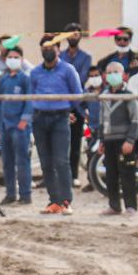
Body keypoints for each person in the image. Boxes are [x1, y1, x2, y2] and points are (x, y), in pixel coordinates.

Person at [29, 37, 83, 215]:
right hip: (40, 119)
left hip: (60, 117)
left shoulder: (68, 70)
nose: (48, 50)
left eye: (52, 47)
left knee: (61, 161)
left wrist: (76, 113)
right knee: (46, 162)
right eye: (44, 47)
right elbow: (30, 96)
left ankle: (66, 201)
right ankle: (54, 201)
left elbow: (77, 95)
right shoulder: (35, 72)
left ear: (58, 49)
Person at [99, 61, 138, 216]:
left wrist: (130, 140)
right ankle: (114, 205)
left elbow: (136, 120)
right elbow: (101, 120)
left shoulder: (129, 95)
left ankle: (131, 206)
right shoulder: (104, 95)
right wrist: (101, 140)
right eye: (109, 72)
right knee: (110, 174)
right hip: (109, 140)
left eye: (115, 72)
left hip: (124, 141)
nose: (112, 75)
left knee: (127, 174)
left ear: (123, 74)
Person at [0, 46, 34, 205]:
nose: (13, 60)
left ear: (22, 59)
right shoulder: (3, 79)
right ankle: (10, 194)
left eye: (16, 57)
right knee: (7, 161)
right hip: (5, 125)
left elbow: (30, 100)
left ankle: (25, 194)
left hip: (20, 127)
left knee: (22, 161)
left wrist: (24, 121)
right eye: (10, 57)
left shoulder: (25, 78)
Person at [59, 23, 93, 187]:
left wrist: (68, 80)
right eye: (70, 33)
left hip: (77, 105)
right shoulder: (60, 56)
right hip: (61, 105)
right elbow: (59, 77)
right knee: (61, 142)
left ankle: (74, 175)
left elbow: (82, 77)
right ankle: (61, 176)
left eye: (76, 33)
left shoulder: (86, 57)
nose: (74, 36)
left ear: (80, 36)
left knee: (75, 143)